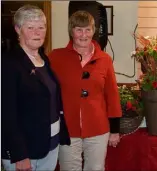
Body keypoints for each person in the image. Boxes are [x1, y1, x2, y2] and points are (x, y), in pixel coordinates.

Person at [48, 11, 122, 170]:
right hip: (67, 129)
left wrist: (115, 130)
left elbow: (112, 95)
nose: (84, 34)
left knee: (96, 168)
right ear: (71, 31)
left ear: (93, 31)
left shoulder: (105, 59)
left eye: (88, 29)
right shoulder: (56, 57)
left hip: (98, 129)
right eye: (78, 29)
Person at [1, 4, 70, 171]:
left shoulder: (44, 59)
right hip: (26, 152)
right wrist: (20, 154)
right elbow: (6, 114)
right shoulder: (9, 64)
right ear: (18, 30)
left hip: (49, 145)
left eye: (41, 27)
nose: (37, 32)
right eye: (30, 27)